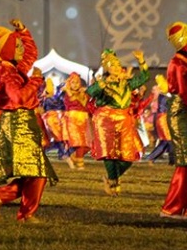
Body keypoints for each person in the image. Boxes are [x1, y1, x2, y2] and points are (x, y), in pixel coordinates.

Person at [0, 18, 58, 223]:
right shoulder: (7, 72)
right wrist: (35, 80)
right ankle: (22, 211)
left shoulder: (14, 67)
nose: (21, 49)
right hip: (19, 125)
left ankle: (6, 200)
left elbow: (31, 53)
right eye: (16, 45)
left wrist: (24, 32)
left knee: (33, 172)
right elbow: (18, 98)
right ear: (8, 49)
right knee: (38, 172)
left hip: (22, 124)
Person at [86, 49, 148, 196]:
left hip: (124, 120)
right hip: (106, 120)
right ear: (108, 68)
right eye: (112, 66)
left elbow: (144, 77)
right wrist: (101, 83)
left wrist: (141, 60)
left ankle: (112, 177)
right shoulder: (104, 84)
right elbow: (90, 92)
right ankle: (113, 182)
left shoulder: (127, 84)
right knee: (110, 154)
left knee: (128, 156)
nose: (116, 68)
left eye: (117, 65)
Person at [160, 22, 187, 218]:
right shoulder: (178, 62)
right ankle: (172, 207)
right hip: (182, 112)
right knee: (184, 162)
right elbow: (183, 91)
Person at [60, 72, 91, 170]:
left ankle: (72, 156)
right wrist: (68, 90)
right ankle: (80, 163)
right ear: (69, 83)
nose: (75, 84)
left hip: (84, 119)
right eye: (73, 82)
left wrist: (82, 93)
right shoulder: (66, 94)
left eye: (77, 82)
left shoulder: (84, 93)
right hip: (72, 120)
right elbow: (73, 100)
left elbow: (84, 103)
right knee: (78, 142)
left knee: (89, 143)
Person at [144, 76, 174, 165]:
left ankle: (172, 160)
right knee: (167, 140)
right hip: (163, 119)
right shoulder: (164, 94)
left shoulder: (165, 94)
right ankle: (152, 157)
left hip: (164, 118)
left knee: (169, 140)